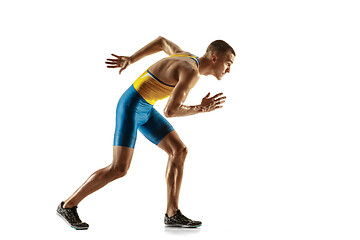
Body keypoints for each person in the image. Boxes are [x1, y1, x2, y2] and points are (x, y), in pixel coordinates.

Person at [57, 36, 235, 230]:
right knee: (119, 168)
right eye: (228, 63)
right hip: (131, 107)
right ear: (214, 58)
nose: (229, 70)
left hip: (146, 108)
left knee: (179, 150)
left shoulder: (186, 57)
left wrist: (131, 59)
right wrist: (201, 109)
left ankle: (172, 213)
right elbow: (170, 111)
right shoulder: (190, 71)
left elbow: (161, 42)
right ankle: (68, 205)